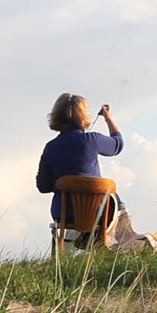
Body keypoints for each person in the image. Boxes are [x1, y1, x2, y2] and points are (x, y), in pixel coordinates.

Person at [36, 93, 124, 223]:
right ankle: (119, 238)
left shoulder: (51, 147)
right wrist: (108, 119)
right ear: (84, 116)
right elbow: (118, 145)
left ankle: (78, 241)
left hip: (62, 214)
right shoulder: (92, 140)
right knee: (115, 200)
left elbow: (43, 187)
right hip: (96, 213)